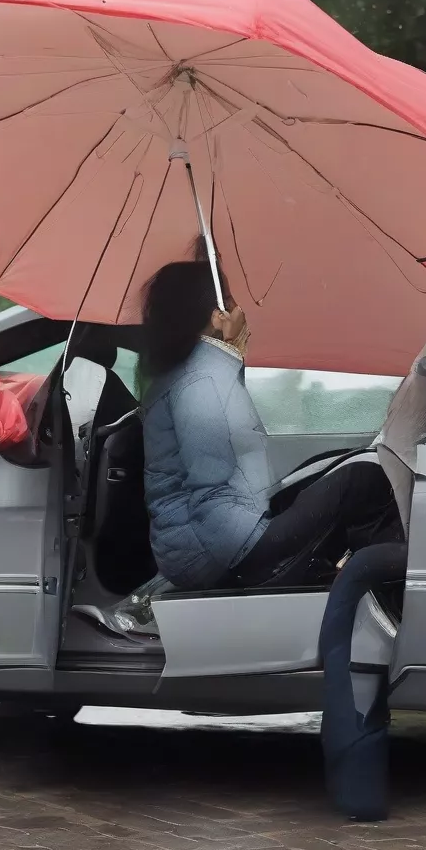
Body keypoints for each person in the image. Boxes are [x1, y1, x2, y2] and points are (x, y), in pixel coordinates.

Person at [140, 244, 401, 592]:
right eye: (229, 300)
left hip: (208, 536)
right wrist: (253, 556)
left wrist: (231, 355)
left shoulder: (194, 370)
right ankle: (379, 589)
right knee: (364, 477)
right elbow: (211, 484)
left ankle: (333, 576)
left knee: (337, 465)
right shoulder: (202, 378)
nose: (238, 308)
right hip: (214, 550)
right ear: (215, 315)